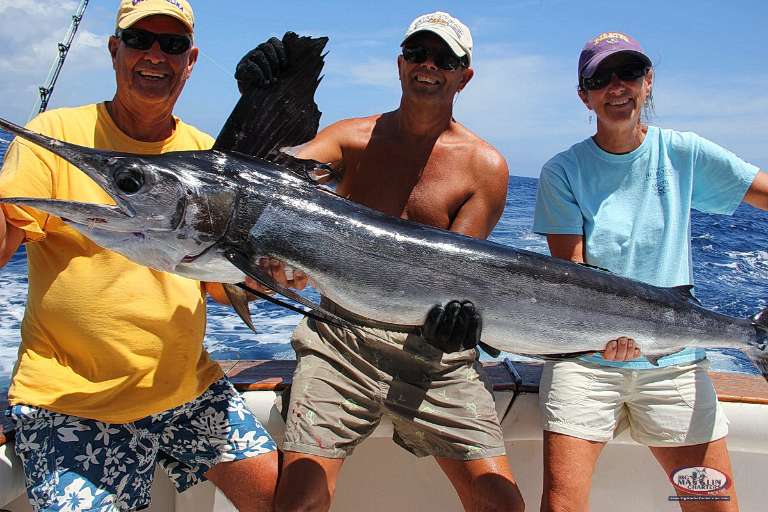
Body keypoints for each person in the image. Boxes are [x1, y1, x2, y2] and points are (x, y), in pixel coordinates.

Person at [0, 1, 307, 510]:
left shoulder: (208, 155)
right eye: (139, 40)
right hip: (73, 401)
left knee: (288, 503)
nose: (155, 55)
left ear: (190, 60)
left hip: (187, 388)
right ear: (114, 50)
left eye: (173, 44)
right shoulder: (51, 139)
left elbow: (220, 285)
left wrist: (268, 276)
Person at [236, 11, 525, 512]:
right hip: (340, 341)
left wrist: (456, 324)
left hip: (434, 355)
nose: (428, 65)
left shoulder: (485, 166)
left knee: (501, 503)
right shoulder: (349, 140)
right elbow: (267, 184)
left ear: (464, 76)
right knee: (298, 502)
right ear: (400, 64)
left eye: (444, 59)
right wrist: (256, 103)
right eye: (417, 53)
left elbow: (459, 278)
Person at [533, 31, 768, 511]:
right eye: (601, 78)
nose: (616, 86)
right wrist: (603, 335)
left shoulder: (683, 153)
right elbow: (572, 278)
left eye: (629, 72)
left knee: (715, 504)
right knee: (561, 505)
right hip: (586, 361)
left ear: (649, 81)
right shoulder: (563, 171)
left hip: (674, 364)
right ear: (584, 95)